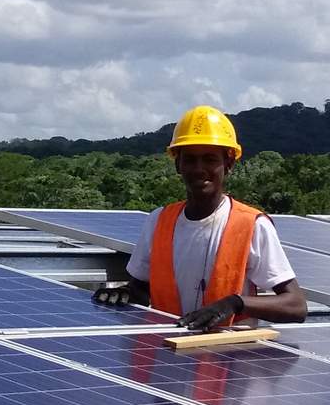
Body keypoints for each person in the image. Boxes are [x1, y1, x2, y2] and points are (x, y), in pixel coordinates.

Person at [99, 105, 306, 331]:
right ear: (178, 165)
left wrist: (235, 303)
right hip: (167, 347)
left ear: (228, 164)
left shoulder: (252, 225)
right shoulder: (159, 221)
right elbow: (141, 289)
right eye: (190, 159)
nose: (199, 169)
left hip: (229, 350)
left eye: (209, 159)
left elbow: (296, 306)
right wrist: (125, 293)